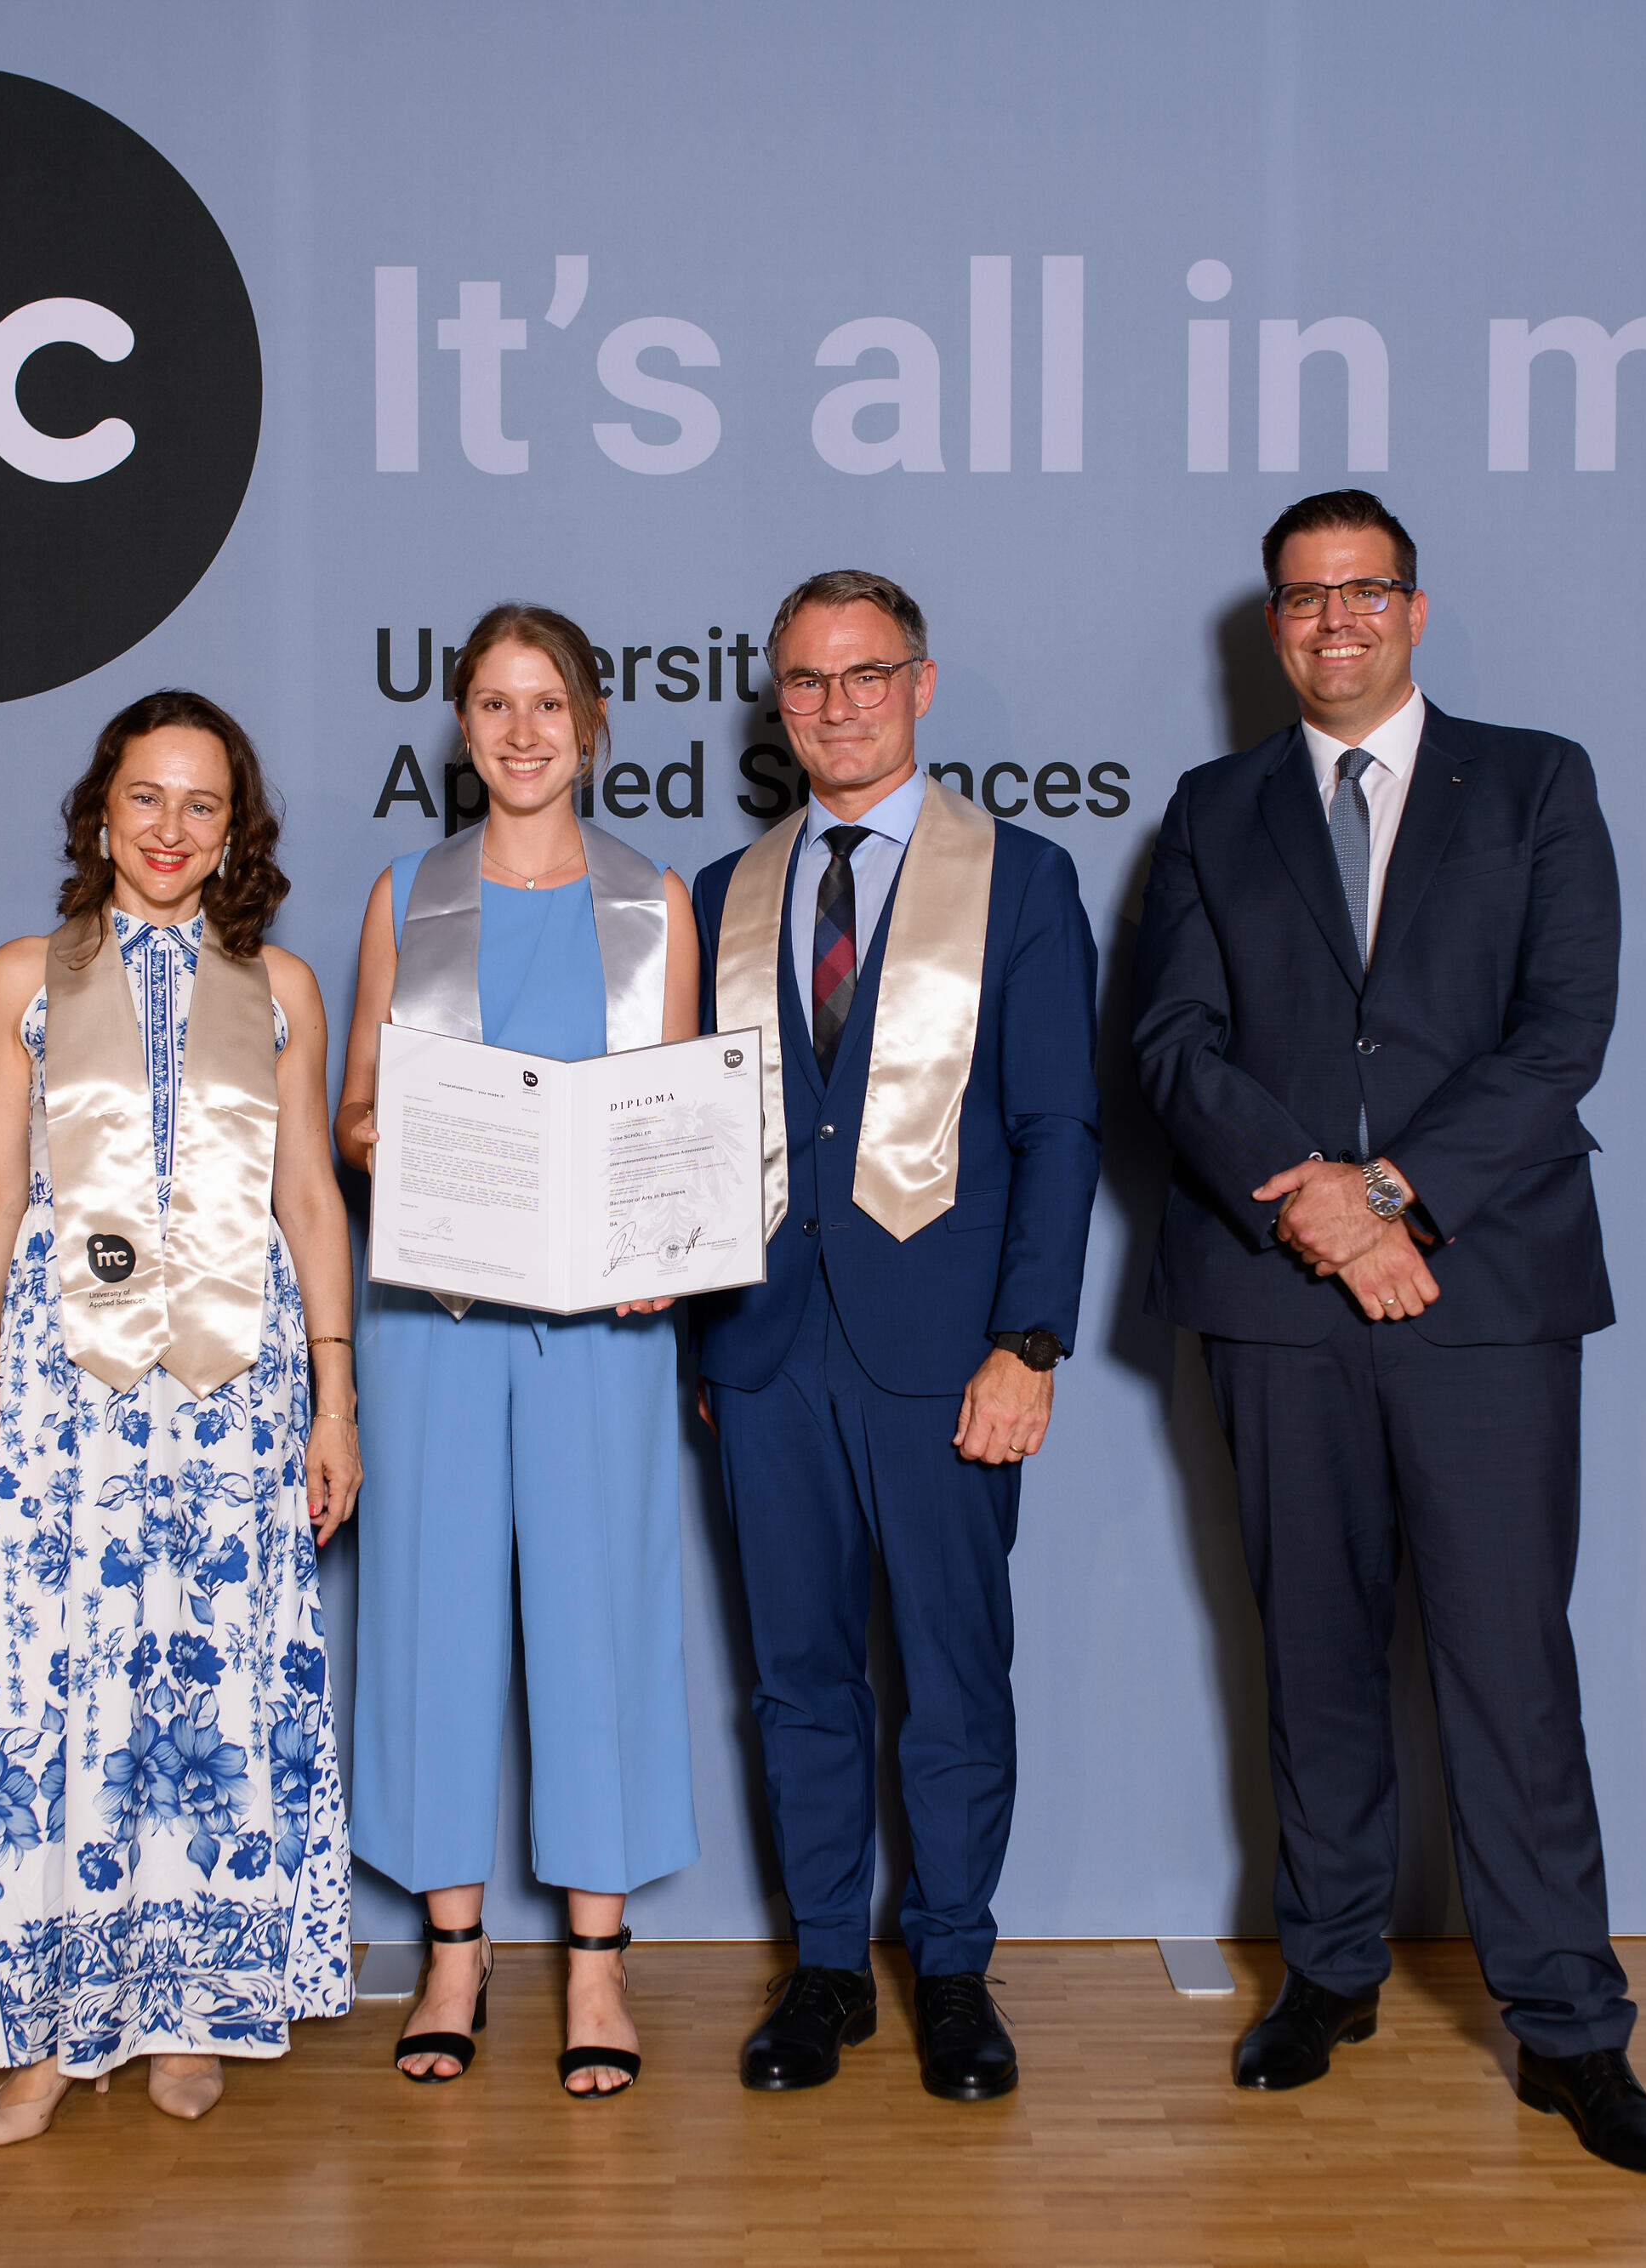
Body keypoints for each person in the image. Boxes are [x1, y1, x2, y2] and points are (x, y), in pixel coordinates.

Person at [1130, 492, 1646, 2174]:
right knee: (1312, 1655)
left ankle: (1569, 2027)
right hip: (1274, 1299)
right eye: (1304, 597)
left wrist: (1387, 1197)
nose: (1336, 621)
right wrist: (1312, 1213)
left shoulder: (1534, 783)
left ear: (1416, 609)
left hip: (1485, 1293)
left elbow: (1561, 1033)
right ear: (1272, 624)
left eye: (1363, 590)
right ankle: (1329, 1971)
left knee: (1507, 1668)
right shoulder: (1211, 809)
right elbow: (1172, 1044)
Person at [0, 689, 362, 2148]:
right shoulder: (23, 978)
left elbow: (311, 1199)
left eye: (202, 805)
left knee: (213, 1688)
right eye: (147, 798)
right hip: (72, 1395)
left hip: (239, 1398)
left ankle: (191, 2013)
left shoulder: (282, 988)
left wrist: (336, 1396)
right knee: (68, 1687)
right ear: (101, 813)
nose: (171, 829)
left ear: (234, 831)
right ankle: (52, 2036)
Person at [692, 571, 1101, 2102]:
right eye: (808, 681)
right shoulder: (726, 889)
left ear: (920, 685)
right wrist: (707, 1338)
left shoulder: (1021, 878)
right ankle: (822, 1968)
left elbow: (1060, 1129)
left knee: (952, 1668)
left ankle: (952, 1966)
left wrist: (1030, 1342)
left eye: (867, 675)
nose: (838, 706)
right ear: (779, 703)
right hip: (766, 1346)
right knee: (797, 1675)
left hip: (947, 1348)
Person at [336, 604, 703, 2099]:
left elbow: (674, 1122)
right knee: (429, 1610)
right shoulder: (407, 895)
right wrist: (410, 1140)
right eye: (495, 704)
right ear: (463, 727)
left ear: (593, 721)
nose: (523, 730)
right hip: (435, 1313)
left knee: (598, 1610)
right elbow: (355, 1111)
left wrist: (657, 1246)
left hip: (600, 1326)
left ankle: (597, 1968)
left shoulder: (654, 902)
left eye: (548, 702)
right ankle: (453, 1951)